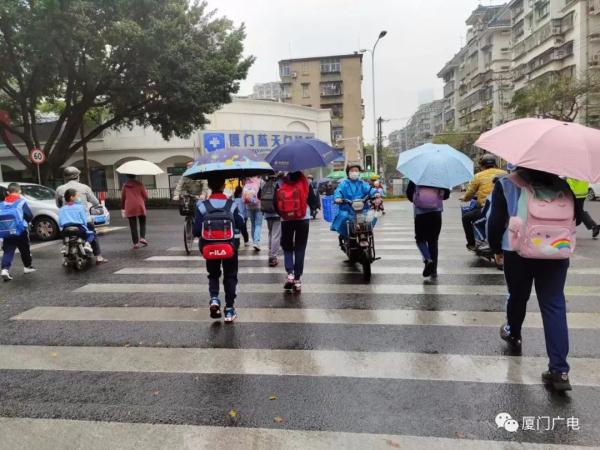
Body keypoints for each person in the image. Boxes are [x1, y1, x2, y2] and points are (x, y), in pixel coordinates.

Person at [488, 167, 583, 392]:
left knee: (518, 296)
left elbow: (495, 220)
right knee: (554, 305)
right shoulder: (563, 184)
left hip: (516, 251)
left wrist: (495, 249)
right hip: (555, 253)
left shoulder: (506, 184)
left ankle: (514, 333)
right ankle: (559, 371)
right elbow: (576, 219)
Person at [193, 176, 245, 323]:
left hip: (209, 247)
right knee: (230, 276)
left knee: (213, 274)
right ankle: (229, 309)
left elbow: (196, 231)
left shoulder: (202, 206)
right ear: (223, 186)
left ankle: (214, 299)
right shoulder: (232, 204)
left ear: (209, 185)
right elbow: (240, 223)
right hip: (230, 246)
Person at [275, 171, 317, 291]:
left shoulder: (280, 182)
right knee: (300, 247)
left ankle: (290, 274)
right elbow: (313, 201)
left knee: (287, 247)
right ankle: (297, 279)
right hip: (303, 219)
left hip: (286, 219)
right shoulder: (305, 181)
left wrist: (283, 214)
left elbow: (275, 203)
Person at [55, 166, 107, 264]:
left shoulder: (59, 189)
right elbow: (95, 202)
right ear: (77, 176)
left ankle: (65, 254)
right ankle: (99, 257)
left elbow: (58, 205)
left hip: (66, 224)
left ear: (65, 177)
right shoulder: (84, 187)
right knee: (93, 234)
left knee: (65, 236)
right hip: (83, 221)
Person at [460, 154, 507, 251]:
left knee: (466, 218)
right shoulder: (505, 173)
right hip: (505, 208)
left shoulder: (478, 176)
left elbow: (470, 193)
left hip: (486, 209)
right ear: (495, 164)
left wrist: (464, 198)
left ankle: (471, 243)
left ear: (482, 165)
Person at [406, 181, 450, 278]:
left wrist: (417, 199)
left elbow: (409, 195)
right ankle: (433, 271)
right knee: (433, 241)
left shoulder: (416, 177)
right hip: (436, 213)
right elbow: (446, 196)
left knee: (420, 239)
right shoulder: (440, 178)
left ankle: (428, 259)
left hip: (420, 214)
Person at [331, 164, 378, 248]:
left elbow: (370, 189)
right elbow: (338, 191)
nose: (354, 172)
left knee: (372, 216)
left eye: (356, 171)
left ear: (359, 173)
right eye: (352, 171)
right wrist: (338, 198)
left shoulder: (362, 183)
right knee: (343, 217)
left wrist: (376, 193)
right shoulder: (343, 184)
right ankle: (344, 234)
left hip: (362, 209)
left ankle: (367, 232)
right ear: (348, 173)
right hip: (348, 209)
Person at [0, 183, 35, 281]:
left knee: (8, 250)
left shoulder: (2, 204)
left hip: (6, 231)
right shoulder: (21, 202)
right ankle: (27, 267)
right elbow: (29, 215)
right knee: (24, 249)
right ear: (19, 191)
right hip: (20, 230)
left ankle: (5, 269)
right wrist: (27, 222)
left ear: (8, 192)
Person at [58, 189, 95, 255]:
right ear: (72, 197)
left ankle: (64, 246)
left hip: (66, 229)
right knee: (91, 234)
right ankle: (87, 244)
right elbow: (84, 220)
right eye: (76, 196)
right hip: (79, 228)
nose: (78, 197)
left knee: (65, 237)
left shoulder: (62, 209)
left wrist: (62, 226)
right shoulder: (80, 207)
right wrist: (85, 226)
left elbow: (60, 222)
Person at [259, 173, 282, 267]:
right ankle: (273, 257)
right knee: (276, 235)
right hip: (277, 213)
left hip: (267, 213)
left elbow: (258, 196)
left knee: (270, 232)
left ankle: (270, 250)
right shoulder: (279, 183)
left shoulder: (263, 183)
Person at [120, 174, 149, 249]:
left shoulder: (125, 186)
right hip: (140, 205)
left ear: (127, 176)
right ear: (135, 176)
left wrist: (123, 207)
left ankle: (135, 243)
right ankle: (142, 237)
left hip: (130, 206)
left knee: (133, 226)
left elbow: (123, 198)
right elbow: (146, 196)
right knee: (142, 222)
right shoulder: (140, 184)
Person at [243, 177, 264, 251]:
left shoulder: (246, 182)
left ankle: (254, 241)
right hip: (258, 206)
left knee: (253, 224)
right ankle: (256, 242)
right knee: (258, 224)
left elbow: (243, 197)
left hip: (249, 206)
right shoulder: (260, 181)